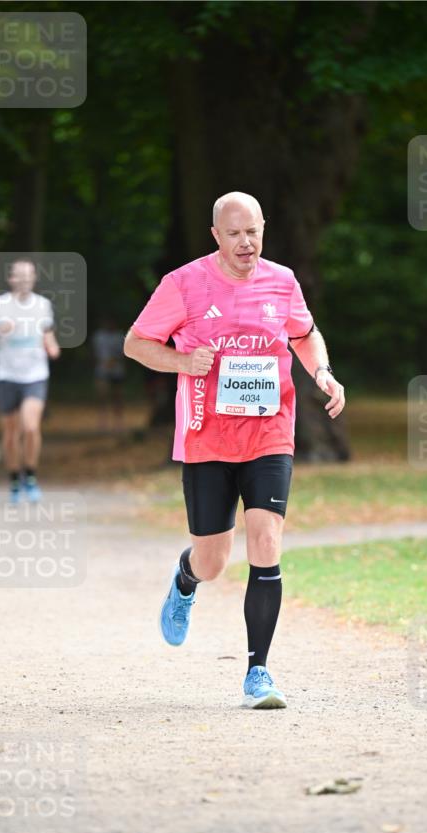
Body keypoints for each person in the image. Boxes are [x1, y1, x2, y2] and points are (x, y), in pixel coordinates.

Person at [125, 191, 345, 709]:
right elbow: (136, 344)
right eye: (234, 234)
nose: (246, 243)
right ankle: (186, 579)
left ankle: (258, 673)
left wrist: (323, 372)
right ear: (215, 236)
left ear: (263, 229)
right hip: (207, 438)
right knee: (214, 560)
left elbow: (305, 335)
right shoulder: (183, 284)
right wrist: (183, 363)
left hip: (270, 434)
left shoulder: (282, 281)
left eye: (253, 232)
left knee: (265, 541)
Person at [0, 259, 60, 502]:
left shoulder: (43, 305)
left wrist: (52, 347)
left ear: (34, 278)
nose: (24, 279)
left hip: (35, 375)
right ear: (11, 279)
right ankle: (14, 479)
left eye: (29, 275)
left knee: (31, 427)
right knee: (11, 433)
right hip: (7, 375)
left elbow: (48, 333)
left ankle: (30, 476)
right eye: (19, 275)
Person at [92, 315, 127, 432]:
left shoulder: (119, 336)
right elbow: (94, 353)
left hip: (117, 370)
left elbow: (124, 353)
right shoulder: (99, 337)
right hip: (102, 370)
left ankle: (118, 422)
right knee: (102, 396)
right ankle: (102, 420)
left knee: (117, 397)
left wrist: (114, 361)